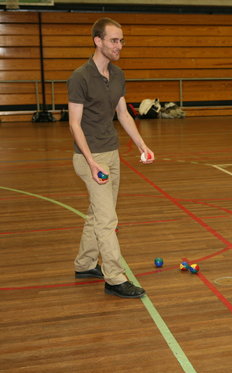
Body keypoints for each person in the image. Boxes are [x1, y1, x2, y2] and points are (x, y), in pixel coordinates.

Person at [68, 18, 155, 299]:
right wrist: (91, 162)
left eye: (121, 40)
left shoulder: (117, 75)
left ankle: (84, 264)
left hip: (111, 152)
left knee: (98, 213)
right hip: (89, 158)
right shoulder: (79, 77)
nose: (119, 45)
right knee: (107, 219)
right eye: (114, 40)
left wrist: (142, 144)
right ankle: (115, 278)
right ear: (98, 41)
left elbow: (123, 114)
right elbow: (74, 124)